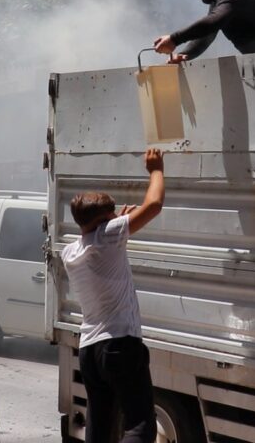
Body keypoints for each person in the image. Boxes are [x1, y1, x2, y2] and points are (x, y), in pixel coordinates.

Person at [61, 148, 165, 443]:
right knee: (140, 424)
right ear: (103, 223)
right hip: (119, 344)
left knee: (101, 424)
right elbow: (154, 204)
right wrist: (155, 168)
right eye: (110, 219)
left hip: (90, 350)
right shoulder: (109, 236)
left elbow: (98, 234)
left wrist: (115, 224)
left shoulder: (72, 250)